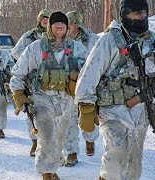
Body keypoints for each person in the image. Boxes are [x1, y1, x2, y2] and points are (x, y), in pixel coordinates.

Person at [74, 0, 155, 179]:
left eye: (143, 13)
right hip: (113, 111)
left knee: (134, 165)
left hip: (142, 111)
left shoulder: (152, 39)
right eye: (136, 13)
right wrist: (85, 106)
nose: (141, 17)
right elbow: (90, 72)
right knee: (116, 157)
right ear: (125, 14)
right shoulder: (110, 39)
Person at [10, 11, 88, 179]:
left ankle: (52, 168)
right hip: (41, 97)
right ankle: (46, 172)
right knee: (46, 135)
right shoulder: (36, 47)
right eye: (55, 23)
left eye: (63, 23)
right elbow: (18, 73)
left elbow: (90, 72)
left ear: (67, 27)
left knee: (59, 138)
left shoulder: (77, 48)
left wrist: (78, 75)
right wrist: (18, 93)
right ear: (49, 27)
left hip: (66, 99)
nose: (59, 26)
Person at [62, 10, 100, 166]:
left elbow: (99, 59)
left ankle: (90, 140)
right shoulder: (60, 40)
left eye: (69, 24)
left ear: (76, 24)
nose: (67, 27)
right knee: (69, 118)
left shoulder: (92, 40)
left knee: (88, 114)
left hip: (87, 84)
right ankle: (71, 152)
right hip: (67, 86)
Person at [12, 9, 51, 157]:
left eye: (48, 18)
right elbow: (15, 52)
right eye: (44, 19)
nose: (46, 21)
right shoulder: (30, 36)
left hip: (51, 79)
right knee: (32, 113)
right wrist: (30, 59)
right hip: (33, 79)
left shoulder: (54, 35)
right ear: (39, 20)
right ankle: (35, 142)